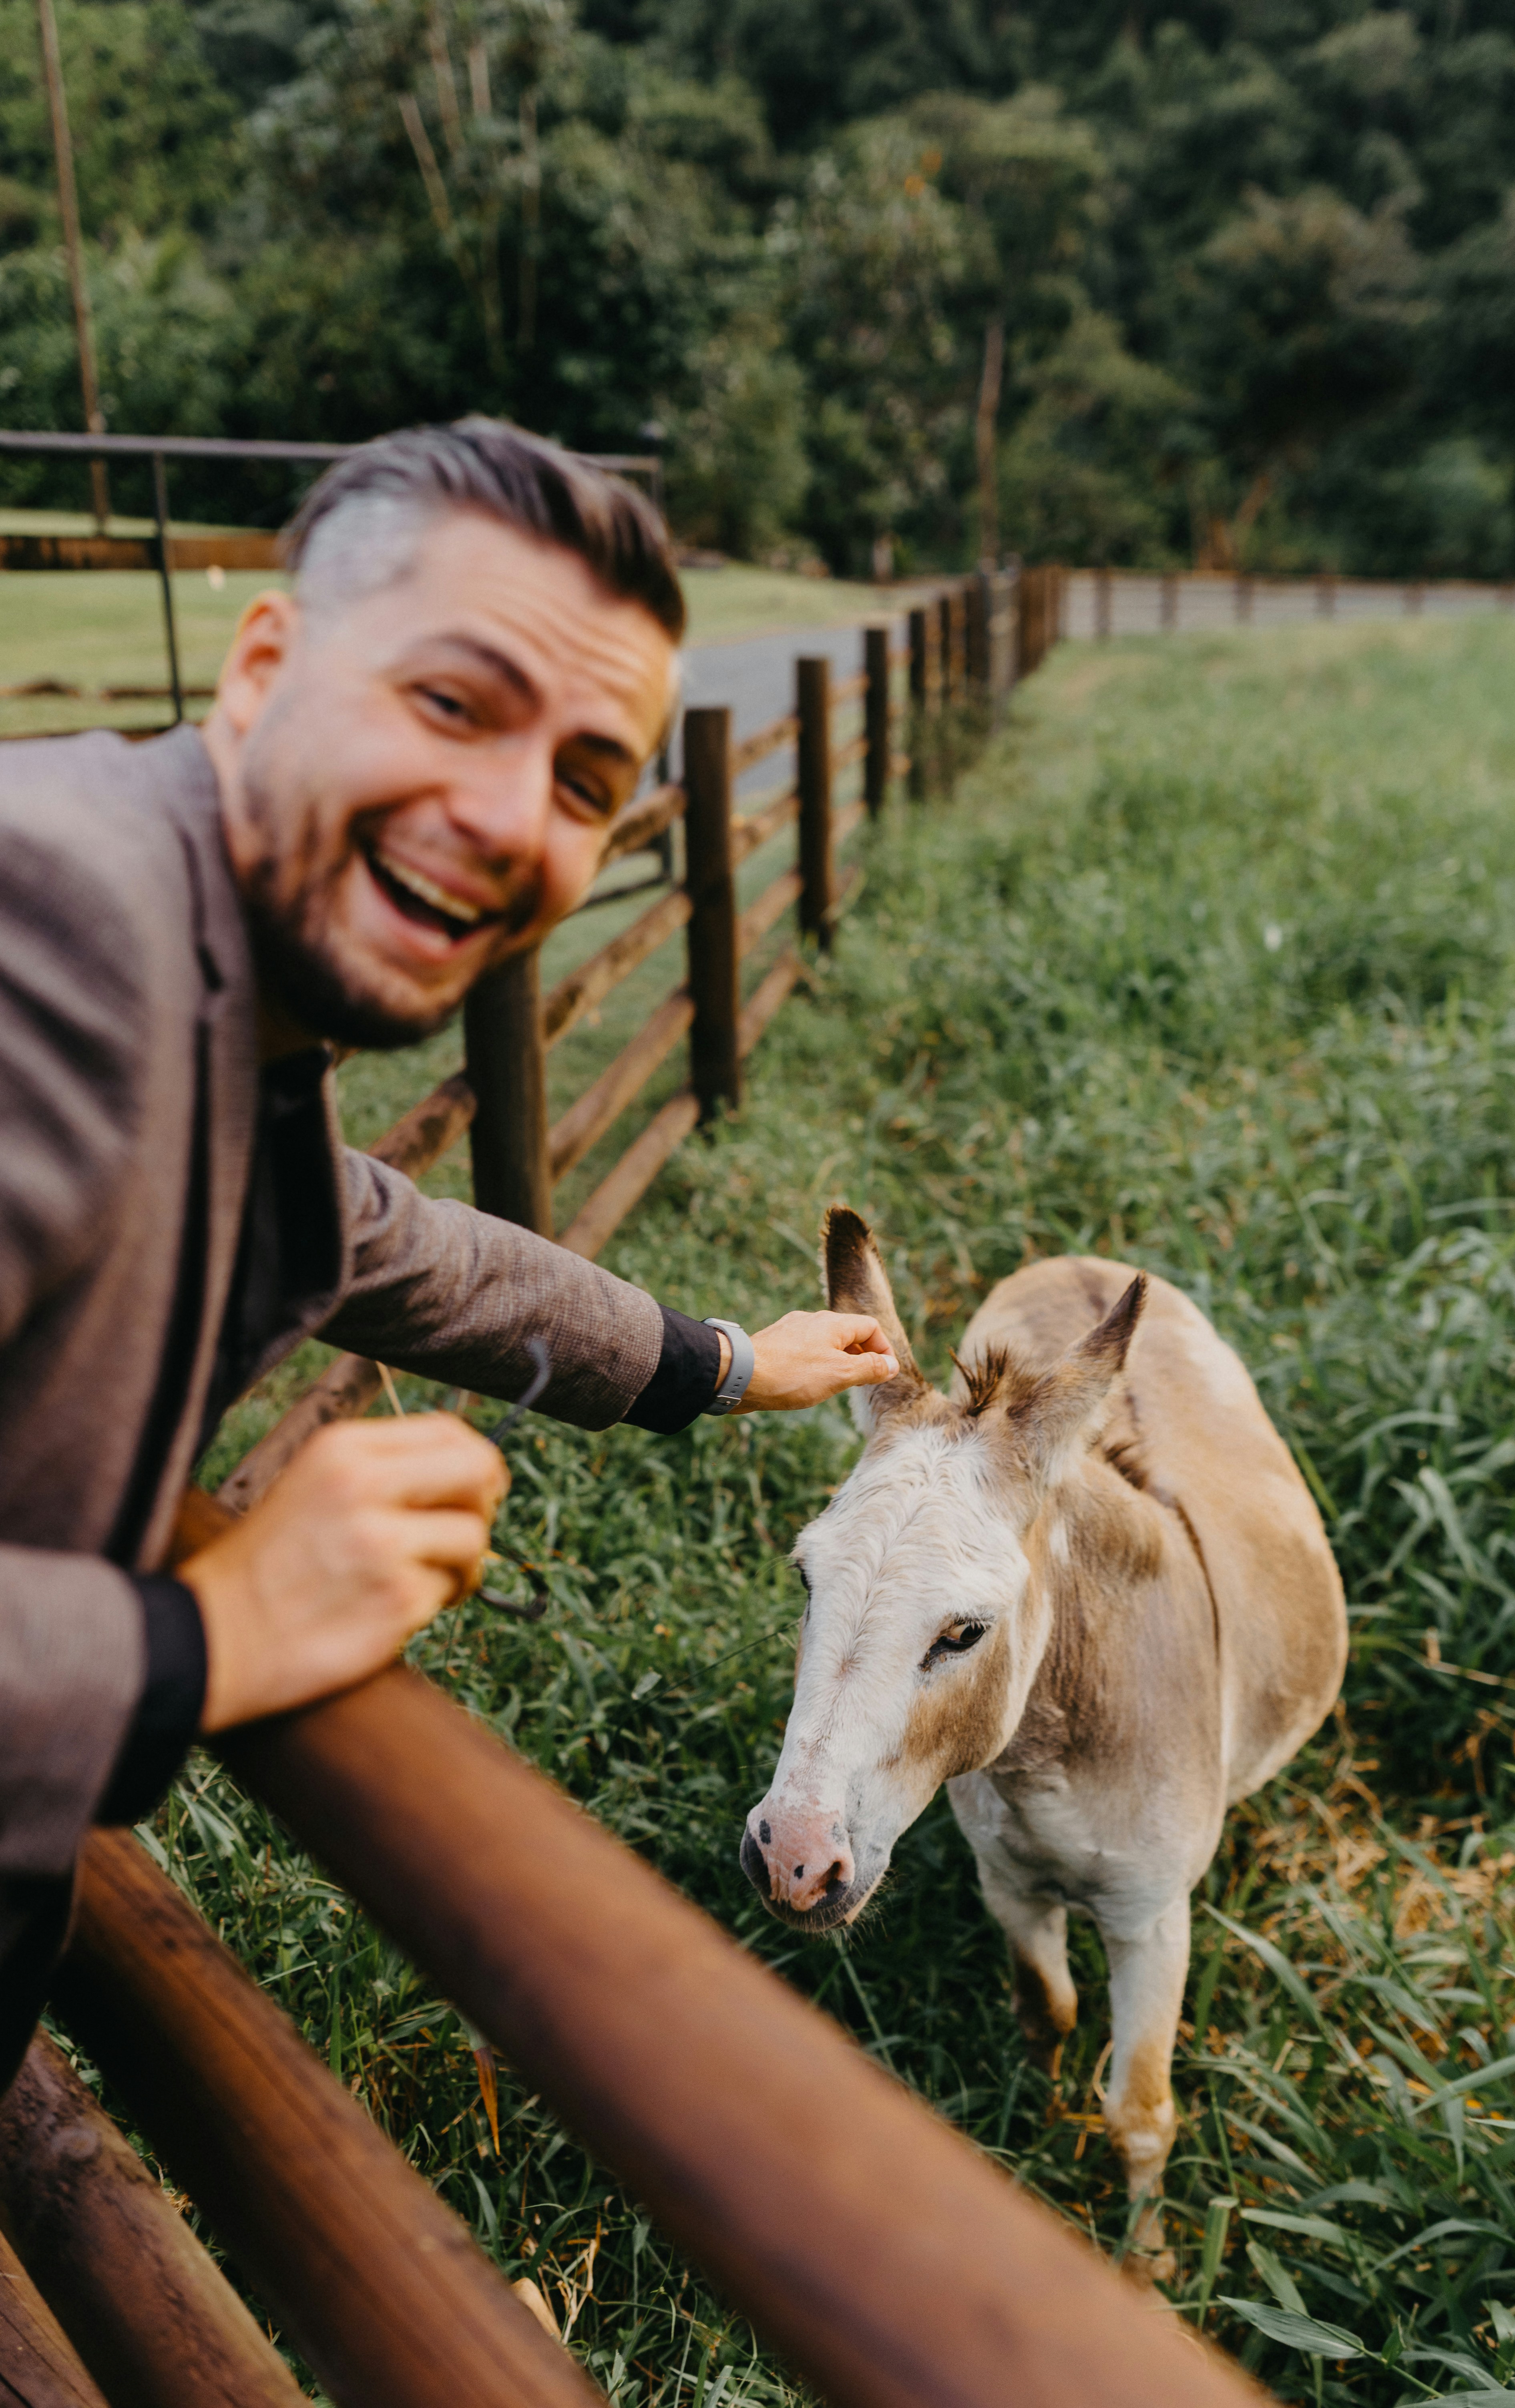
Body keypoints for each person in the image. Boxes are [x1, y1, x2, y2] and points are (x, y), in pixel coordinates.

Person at [0, 417, 895, 2084]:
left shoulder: (203, 976)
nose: (504, 817)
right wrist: (199, 1640)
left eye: (578, 782)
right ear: (262, 668)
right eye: (450, 702)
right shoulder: (58, 928)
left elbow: (383, 1240)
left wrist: (719, 1362)